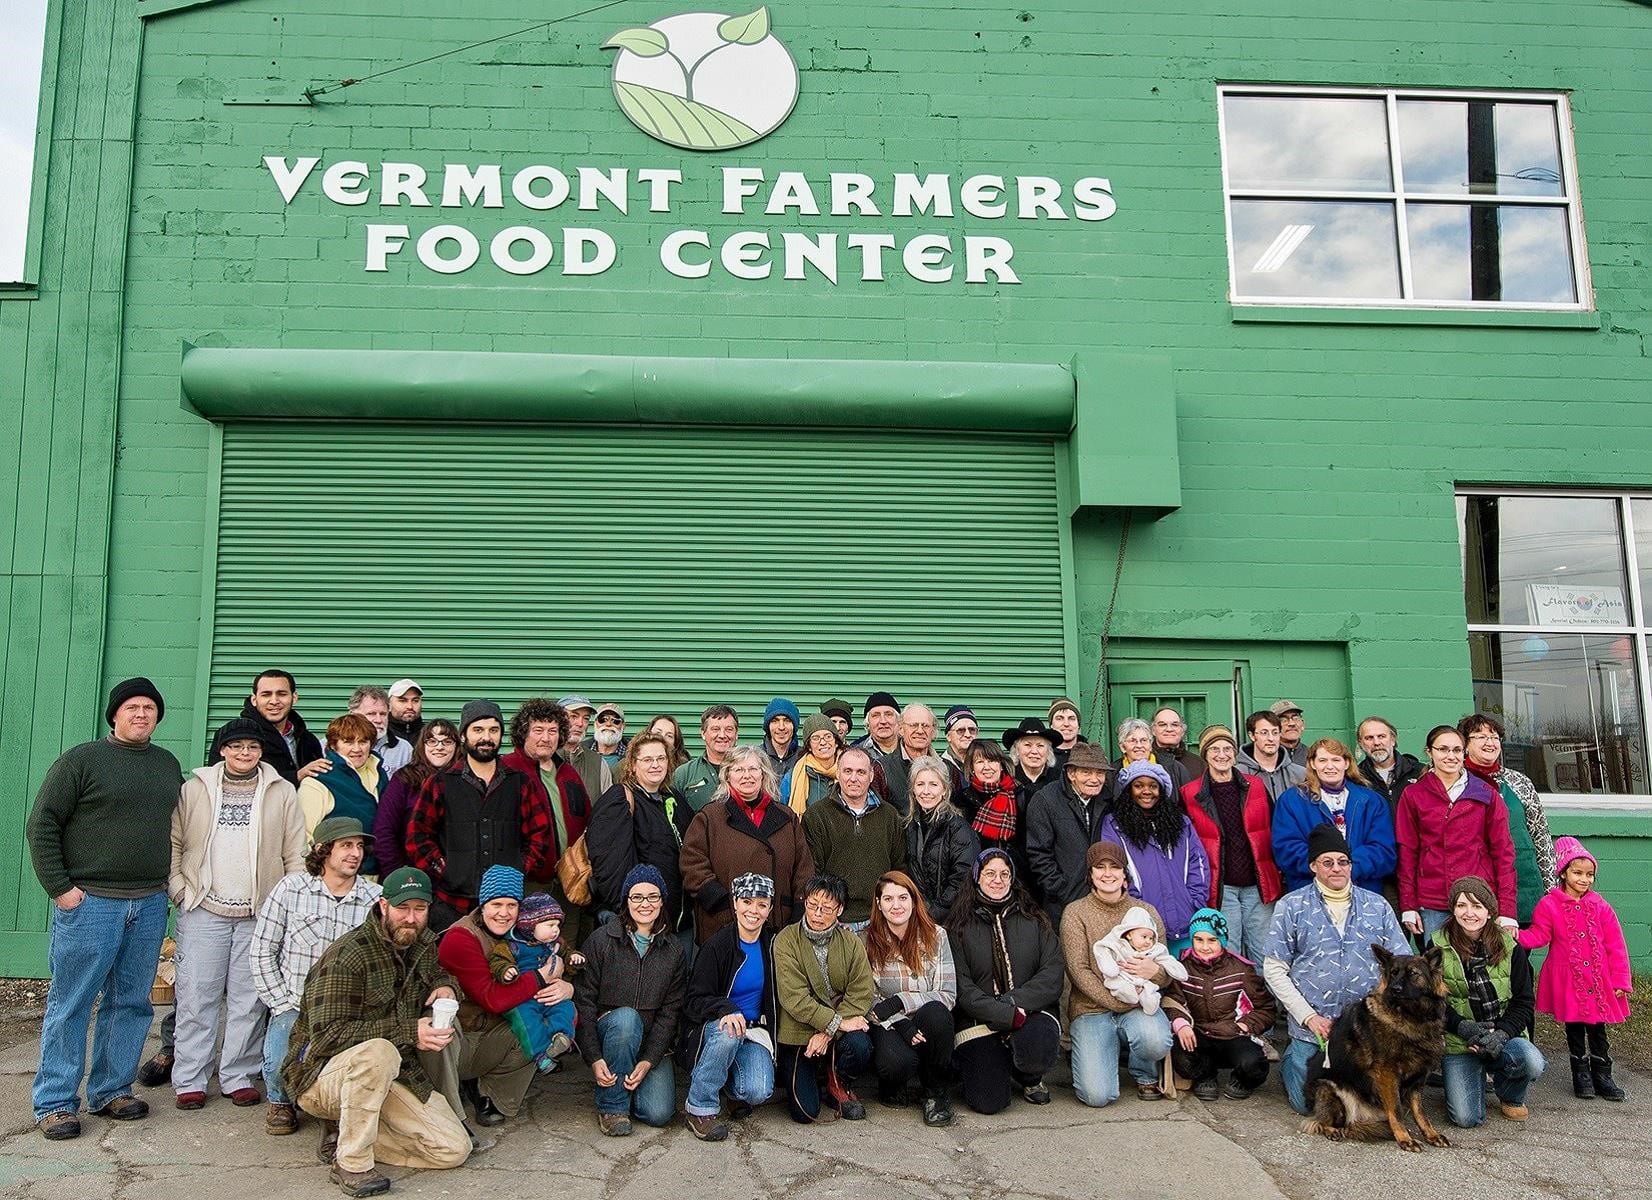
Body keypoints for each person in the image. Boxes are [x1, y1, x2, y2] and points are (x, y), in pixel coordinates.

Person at [29, 678, 180, 1141]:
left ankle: (112, 1089)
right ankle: (55, 1102)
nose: (141, 714)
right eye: (131, 707)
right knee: (72, 1002)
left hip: (149, 903)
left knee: (132, 1003)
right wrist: (61, 888)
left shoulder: (166, 765)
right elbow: (42, 823)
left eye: (149, 708)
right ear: (114, 715)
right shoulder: (81, 760)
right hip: (90, 901)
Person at [282, 867, 470, 1196]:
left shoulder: (422, 943)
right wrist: (409, 1032)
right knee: (379, 1050)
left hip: (388, 1074)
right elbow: (327, 1037)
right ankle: (352, 1163)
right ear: (383, 905)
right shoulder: (348, 956)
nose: (411, 918)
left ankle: (348, 1132)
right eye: (403, 908)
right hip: (320, 1075)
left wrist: (445, 987)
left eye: (420, 909)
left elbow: (440, 973)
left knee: (454, 1150)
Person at [169, 718, 306, 1110]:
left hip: (258, 912)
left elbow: (295, 852)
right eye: (236, 746)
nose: (245, 753)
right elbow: (175, 842)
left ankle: (238, 1075)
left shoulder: (282, 791)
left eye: (252, 746)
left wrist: (285, 904)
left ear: (262, 751)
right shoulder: (195, 788)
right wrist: (180, 888)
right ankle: (190, 1078)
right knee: (197, 997)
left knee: (250, 1000)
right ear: (223, 750)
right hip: (203, 909)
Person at [1262, 823, 1411, 1115]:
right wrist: (1308, 1017)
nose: (1336, 869)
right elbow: (1274, 968)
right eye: (1327, 862)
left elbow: (1402, 962)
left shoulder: (1377, 906)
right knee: (1308, 1106)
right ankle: (1295, 1060)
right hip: (1314, 1029)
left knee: (1375, 1104)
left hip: (1364, 1030)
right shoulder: (1291, 906)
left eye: (1343, 862)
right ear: (1313, 866)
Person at [250, 817, 382, 1137]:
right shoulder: (291, 889)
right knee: (281, 1051)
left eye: (359, 846)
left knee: (346, 1065)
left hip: (348, 1008)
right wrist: (281, 1004)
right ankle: (280, 1101)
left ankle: (333, 1110)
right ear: (323, 850)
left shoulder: (374, 898)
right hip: (296, 1001)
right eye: (346, 846)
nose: (355, 854)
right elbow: (261, 951)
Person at [433, 865, 564, 1127]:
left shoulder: (522, 936)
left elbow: (556, 968)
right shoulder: (461, 937)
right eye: (495, 904)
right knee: (439, 1023)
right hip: (462, 1040)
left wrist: (565, 987)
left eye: (511, 905)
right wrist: (541, 977)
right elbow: (492, 999)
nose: (504, 913)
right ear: (482, 906)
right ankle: (448, 1112)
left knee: (546, 1024)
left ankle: (489, 1092)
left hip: (493, 1032)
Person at [407, 700, 553, 930]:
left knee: (506, 965)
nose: (486, 737)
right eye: (478, 730)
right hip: (452, 905)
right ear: (464, 735)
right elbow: (417, 837)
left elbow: (540, 835)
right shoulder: (440, 783)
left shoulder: (520, 782)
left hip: (507, 907)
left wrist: (518, 869)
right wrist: (446, 869)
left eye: (493, 730)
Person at [574, 864, 689, 1136]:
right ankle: (612, 1107)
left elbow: (670, 1013)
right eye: (636, 897)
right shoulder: (602, 941)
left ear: (662, 901)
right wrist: (593, 1057)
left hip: (649, 1041)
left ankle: (629, 1083)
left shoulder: (673, 950)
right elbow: (584, 1002)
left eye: (652, 897)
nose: (645, 904)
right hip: (612, 1034)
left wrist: (649, 1059)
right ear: (626, 901)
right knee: (626, 1019)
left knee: (658, 1114)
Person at [1060, 841, 1176, 1106]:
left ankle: (1143, 1071)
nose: (1107, 873)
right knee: (1097, 1096)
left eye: (1115, 867)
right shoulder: (1075, 913)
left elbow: (1164, 965)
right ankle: (1101, 1050)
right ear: (1090, 874)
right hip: (1091, 1008)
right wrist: (1117, 1002)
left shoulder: (1146, 912)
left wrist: (1155, 972)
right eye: (1100, 867)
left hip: (1139, 1003)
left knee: (1155, 1040)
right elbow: (1078, 970)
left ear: (1125, 874)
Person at [947, 849, 1064, 1113]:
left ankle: (1030, 1077)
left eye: (1004, 874)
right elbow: (962, 988)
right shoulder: (957, 927)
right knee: (989, 1102)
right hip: (979, 1021)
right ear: (977, 878)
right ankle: (992, 1067)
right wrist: (1000, 1012)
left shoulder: (1036, 920)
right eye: (990, 873)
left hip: (1028, 1014)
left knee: (1036, 1044)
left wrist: (1011, 1004)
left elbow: (1051, 975)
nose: (997, 880)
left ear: (1012, 879)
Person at [1517, 837, 1631, 1102]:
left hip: (1598, 979)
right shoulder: (1549, 905)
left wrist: (1620, 980)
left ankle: (1603, 1075)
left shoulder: (1601, 907)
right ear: (1564, 873)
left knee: (1598, 1029)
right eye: (1578, 873)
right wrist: (1516, 935)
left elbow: (1616, 945)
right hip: (1569, 980)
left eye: (1589, 874)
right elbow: (1539, 935)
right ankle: (1581, 1075)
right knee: (1575, 1027)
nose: (1584, 879)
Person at [1432, 876, 1546, 1126]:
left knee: (1532, 1062)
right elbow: (1431, 1001)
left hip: (1501, 1032)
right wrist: (1463, 1028)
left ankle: (1510, 1095)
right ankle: (1472, 1073)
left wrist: (1501, 1035)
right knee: (1466, 1119)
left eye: (1477, 906)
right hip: (1460, 1039)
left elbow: (1524, 1002)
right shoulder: (1437, 946)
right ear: (1453, 909)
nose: (1469, 913)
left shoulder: (1510, 947)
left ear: (1489, 912)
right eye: (1462, 905)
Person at [677, 873, 780, 1141]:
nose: (753, 911)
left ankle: (726, 1083)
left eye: (761, 904)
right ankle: (700, 1107)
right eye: (746, 901)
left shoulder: (772, 945)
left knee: (757, 1091)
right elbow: (693, 1000)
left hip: (754, 1031)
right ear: (735, 903)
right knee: (729, 1032)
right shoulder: (718, 946)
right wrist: (726, 1008)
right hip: (718, 1028)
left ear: (769, 909)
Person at [680, 744, 814, 941]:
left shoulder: (786, 817)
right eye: (739, 770)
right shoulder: (710, 817)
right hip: (724, 921)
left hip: (777, 922)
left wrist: (798, 906)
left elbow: (803, 867)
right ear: (727, 776)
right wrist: (718, 898)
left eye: (753, 769)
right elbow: (691, 862)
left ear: (763, 774)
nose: (747, 775)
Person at [1395, 725, 1516, 940]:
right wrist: (1408, 904)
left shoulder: (1486, 793)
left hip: (1477, 898)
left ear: (1464, 752)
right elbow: (1407, 852)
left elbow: (1503, 853)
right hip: (1433, 899)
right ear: (1429, 752)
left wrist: (1507, 910)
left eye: (1457, 750)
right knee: (1439, 969)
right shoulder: (1414, 795)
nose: (1451, 756)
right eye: (1443, 749)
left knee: (1481, 969)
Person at [773, 874, 875, 1122]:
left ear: (839, 909)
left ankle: (838, 1080)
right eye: (812, 905)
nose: (817, 913)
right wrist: (837, 1023)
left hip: (835, 1027)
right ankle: (812, 1074)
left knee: (860, 1045)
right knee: (805, 1112)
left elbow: (861, 991)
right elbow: (794, 998)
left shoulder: (851, 942)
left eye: (827, 908)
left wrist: (829, 1032)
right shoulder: (786, 940)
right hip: (800, 1028)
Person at [861, 871, 957, 1126]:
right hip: (889, 1023)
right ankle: (893, 1083)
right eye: (889, 899)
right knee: (895, 1063)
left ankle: (935, 1092)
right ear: (879, 904)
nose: (896, 905)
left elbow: (948, 994)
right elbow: (868, 999)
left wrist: (903, 1001)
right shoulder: (865, 940)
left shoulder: (936, 936)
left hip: (927, 1018)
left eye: (903, 897)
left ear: (914, 901)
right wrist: (901, 1021)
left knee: (937, 1014)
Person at [1181, 724, 1282, 962]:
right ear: (1205, 754)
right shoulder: (1189, 793)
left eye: (1227, 748)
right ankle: (1237, 999)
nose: (1222, 754)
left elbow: (1273, 827)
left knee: (1264, 951)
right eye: (1214, 749)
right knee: (1230, 950)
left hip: (1258, 884)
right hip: (1221, 886)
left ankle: (1264, 1000)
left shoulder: (1255, 786)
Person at [1098, 761, 1210, 952]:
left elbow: (1197, 863)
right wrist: (1134, 908)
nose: (1146, 791)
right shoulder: (1115, 825)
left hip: (1185, 919)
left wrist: (1195, 900)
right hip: (1140, 926)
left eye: (1153, 786)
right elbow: (1114, 869)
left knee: (1184, 977)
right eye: (1138, 786)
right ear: (1128, 790)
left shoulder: (1180, 823)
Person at [587, 733, 694, 931]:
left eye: (661, 758)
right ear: (633, 764)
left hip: (675, 918)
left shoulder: (673, 797)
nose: (656, 765)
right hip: (639, 920)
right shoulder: (620, 799)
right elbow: (609, 865)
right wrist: (629, 913)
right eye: (647, 759)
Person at [1459, 712, 1556, 925]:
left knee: (1519, 955)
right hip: (1476, 888)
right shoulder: (1456, 781)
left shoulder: (1519, 782)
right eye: (1481, 736)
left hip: (1524, 884)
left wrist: (1552, 891)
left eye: (1494, 737)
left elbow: (1541, 837)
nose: (1490, 742)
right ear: (1465, 744)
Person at [1169, 908, 1276, 1101]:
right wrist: (1181, 1024)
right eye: (1199, 940)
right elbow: (1172, 1001)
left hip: (1233, 1034)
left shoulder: (1242, 969)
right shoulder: (1181, 967)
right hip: (1199, 1034)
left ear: (1223, 940)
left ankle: (1239, 1079)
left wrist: (1246, 1024)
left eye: (1212, 940)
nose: (1205, 946)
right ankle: (1205, 1076)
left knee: (1254, 1065)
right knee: (1182, 1058)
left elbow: (1266, 1008)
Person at [1271, 737, 1397, 898]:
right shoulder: (1292, 800)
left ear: (1346, 763)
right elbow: (1286, 849)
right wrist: (1326, 869)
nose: (1330, 766)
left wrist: (1346, 869)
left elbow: (1383, 850)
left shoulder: (1372, 801)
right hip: (1310, 895)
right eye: (1322, 760)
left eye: (1336, 760)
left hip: (1363, 893)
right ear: (1313, 764)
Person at [801, 746, 907, 927]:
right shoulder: (816, 815)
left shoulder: (890, 815)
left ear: (871, 776)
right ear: (838, 773)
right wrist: (829, 914)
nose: (853, 778)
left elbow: (898, 869)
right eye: (848, 771)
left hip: (879, 919)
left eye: (861, 772)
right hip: (837, 921)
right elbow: (814, 873)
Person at [490, 892, 580, 1073]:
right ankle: (540, 1054)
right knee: (526, 1021)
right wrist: (506, 970)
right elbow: (497, 961)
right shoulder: (512, 946)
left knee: (566, 1008)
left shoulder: (555, 943)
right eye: (550, 925)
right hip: (523, 998)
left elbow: (567, 955)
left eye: (557, 925)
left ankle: (561, 1038)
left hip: (549, 994)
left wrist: (574, 959)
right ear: (531, 926)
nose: (556, 930)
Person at [1024, 742, 1110, 927]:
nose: (1094, 779)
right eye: (1086, 772)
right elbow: (1038, 854)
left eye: (1100, 773)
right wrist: (1060, 890)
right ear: (1071, 774)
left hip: (1105, 899)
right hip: (1062, 904)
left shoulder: (1109, 799)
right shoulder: (1046, 800)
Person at [373, 720, 459, 878]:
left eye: (447, 741)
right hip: (409, 873)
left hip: (455, 877)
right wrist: (397, 873)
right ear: (422, 745)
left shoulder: (465, 781)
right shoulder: (405, 779)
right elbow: (384, 831)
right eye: (432, 741)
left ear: (457, 746)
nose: (439, 747)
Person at [296, 714, 386, 863]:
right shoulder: (318, 780)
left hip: (379, 871)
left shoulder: (380, 773)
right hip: (334, 875)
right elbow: (304, 836)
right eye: (348, 742)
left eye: (363, 741)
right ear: (333, 745)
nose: (357, 749)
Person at [212, 670, 325, 785]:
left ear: (294, 697)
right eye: (266, 694)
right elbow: (222, 780)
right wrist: (296, 776)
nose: (274, 701)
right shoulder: (230, 735)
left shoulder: (307, 739)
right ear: (254, 700)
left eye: (282, 694)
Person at [903, 755, 979, 919]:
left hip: (952, 918)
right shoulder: (910, 826)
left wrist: (934, 913)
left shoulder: (958, 827)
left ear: (944, 790)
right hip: (920, 916)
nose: (926, 791)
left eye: (933, 784)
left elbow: (963, 877)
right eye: (920, 784)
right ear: (913, 790)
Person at [957, 738, 1029, 881]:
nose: (987, 767)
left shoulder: (1021, 795)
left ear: (1001, 765)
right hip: (976, 877)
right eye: (980, 762)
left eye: (992, 761)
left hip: (1016, 877)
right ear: (971, 768)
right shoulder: (961, 800)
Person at [1092, 905, 1187, 1014]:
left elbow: (1166, 959)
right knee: (1115, 983)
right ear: (1129, 935)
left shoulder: (1154, 949)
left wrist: (1175, 970)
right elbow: (1101, 948)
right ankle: (1131, 994)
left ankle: (1148, 1001)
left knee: (1150, 991)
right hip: (1122, 977)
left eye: (1151, 938)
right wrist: (1110, 968)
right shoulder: (1119, 946)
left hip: (1144, 982)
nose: (1148, 941)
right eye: (1144, 937)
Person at [673, 704, 740, 813]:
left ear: (736, 734)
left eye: (729, 729)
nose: (722, 735)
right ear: (703, 733)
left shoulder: (750, 772)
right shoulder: (684, 774)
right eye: (715, 729)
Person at [1355, 715, 1424, 816]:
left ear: (1393, 739)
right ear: (1361, 743)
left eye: (1381, 736)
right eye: (1369, 738)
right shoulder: (1356, 778)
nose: (1376, 743)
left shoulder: (1419, 772)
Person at [1236, 710, 1306, 808]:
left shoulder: (1300, 774)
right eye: (1264, 733)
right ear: (1252, 735)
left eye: (1275, 732)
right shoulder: (1238, 774)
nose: (1271, 738)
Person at [556, 696, 613, 810]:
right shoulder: (541, 758)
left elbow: (608, 812)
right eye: (573, 716)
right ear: (557, 719)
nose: (580, 723)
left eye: (586, 718)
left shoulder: (598, 764)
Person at [786, 713, 843, 813]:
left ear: (836, 742)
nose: (823, 742)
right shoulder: (793, 775)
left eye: (828, 736)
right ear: (809, 746)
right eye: (816, 738)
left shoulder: (849, 770)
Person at [350, 685, 412, 776]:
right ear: (353, 715)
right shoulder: (330, 745)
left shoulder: (404, 749)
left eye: (383, 714)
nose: (379, 720)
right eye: (371, 714)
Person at [1116, 717, 1189, 794]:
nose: (1139, 745)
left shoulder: (1174, 768)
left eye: (1144, 740)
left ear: (1150, 745)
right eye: (1132, 741)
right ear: (1123, 747)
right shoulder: (1112, 774)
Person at [759, 697, 802, 803]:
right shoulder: (756, 756)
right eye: (775, 721)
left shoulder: (804, 757)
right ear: (768, 726)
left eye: (787, 721)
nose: (781, 727)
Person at [1005, 717, 1060, 797]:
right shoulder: (1007, 778)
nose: (1034, 751)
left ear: (1048, 751)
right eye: (1028, 745)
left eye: (1040, 745)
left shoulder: (1059, 779)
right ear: (1017, 750)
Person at [1151, 707, 1205, 783]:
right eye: (1162, 725)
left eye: (1175, 725)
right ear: (1153, 730)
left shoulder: (1198, 764)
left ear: (1182, 731)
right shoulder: (1145, 761)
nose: (1169, 729)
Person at [940, 705, 979, 789]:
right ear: (948, 736)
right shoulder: (939, 767)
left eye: (972, 730)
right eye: (960, 730)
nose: (967, 735)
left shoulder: (986, 764)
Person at [590, 702, 629, 770]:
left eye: (615, 721)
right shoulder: (581, 751)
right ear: (595, 724)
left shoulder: (634, 754)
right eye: (603, 720)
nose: (608, 724)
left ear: (623, 726)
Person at [1046, 698, 1084, 767]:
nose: (1066, 724)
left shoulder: (1090, 755)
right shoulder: (1043, 756)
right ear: (1051, 724)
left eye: (1071, 719)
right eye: (1059, 719)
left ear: (1078, 725)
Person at [1270, 699, 1308, 765]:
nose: (1292, 723)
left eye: (1295, 718)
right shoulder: (1265, 756)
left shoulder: (1312, 755)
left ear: (1303, 724)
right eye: (1283, 720)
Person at [387, 679, 425, 744]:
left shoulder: (430, 735)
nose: (410, 706)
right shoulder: (381, 734)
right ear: (389, 705)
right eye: (402, 700)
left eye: (415, 701)